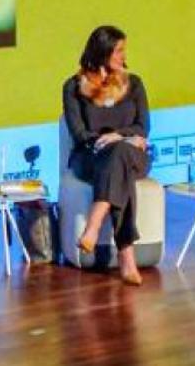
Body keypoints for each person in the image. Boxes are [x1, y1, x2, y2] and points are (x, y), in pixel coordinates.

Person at [62, 25, 150, 286]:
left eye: (124, 50)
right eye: (118, 50)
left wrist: (118, 135)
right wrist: (108, 141)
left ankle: (94, 224)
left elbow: (142, 128)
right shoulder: (74, 87)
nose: (123, 55)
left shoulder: (133, 84)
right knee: (117, 161)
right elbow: (78, 132)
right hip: (91, 156)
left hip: (133, 152)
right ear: (102, 51)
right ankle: (126, 256)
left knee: (121, 153)